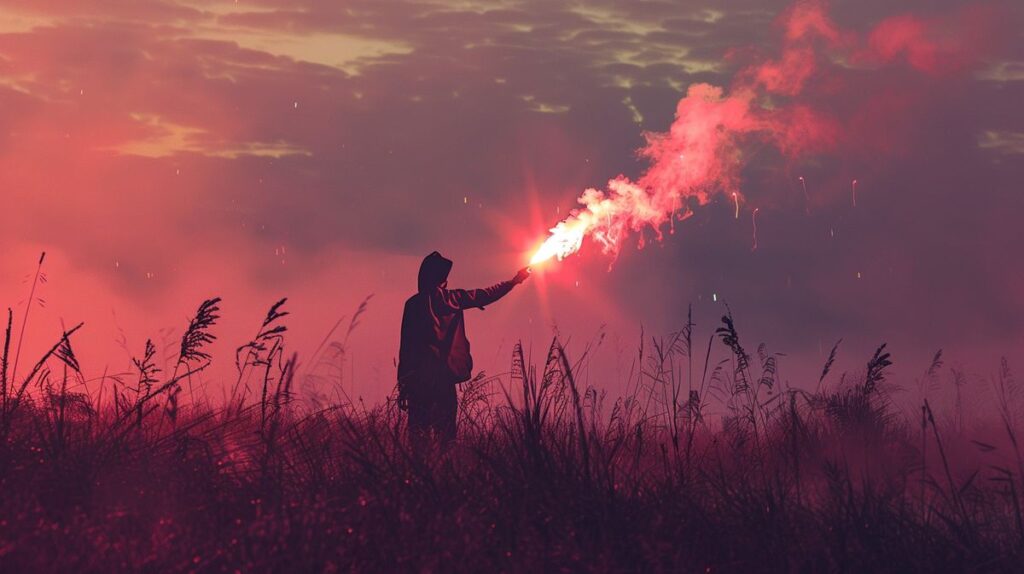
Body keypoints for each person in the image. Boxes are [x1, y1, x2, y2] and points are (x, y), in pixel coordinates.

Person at [397, 251, 530, 444]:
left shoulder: (412, 305)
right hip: (445, 379)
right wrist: (515, 281)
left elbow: (406, 348)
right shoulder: (455, 299)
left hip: (419, 382)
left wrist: (404, 386)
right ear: (442, 280)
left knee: (419, 440)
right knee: (446, 438)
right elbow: (486, 295)